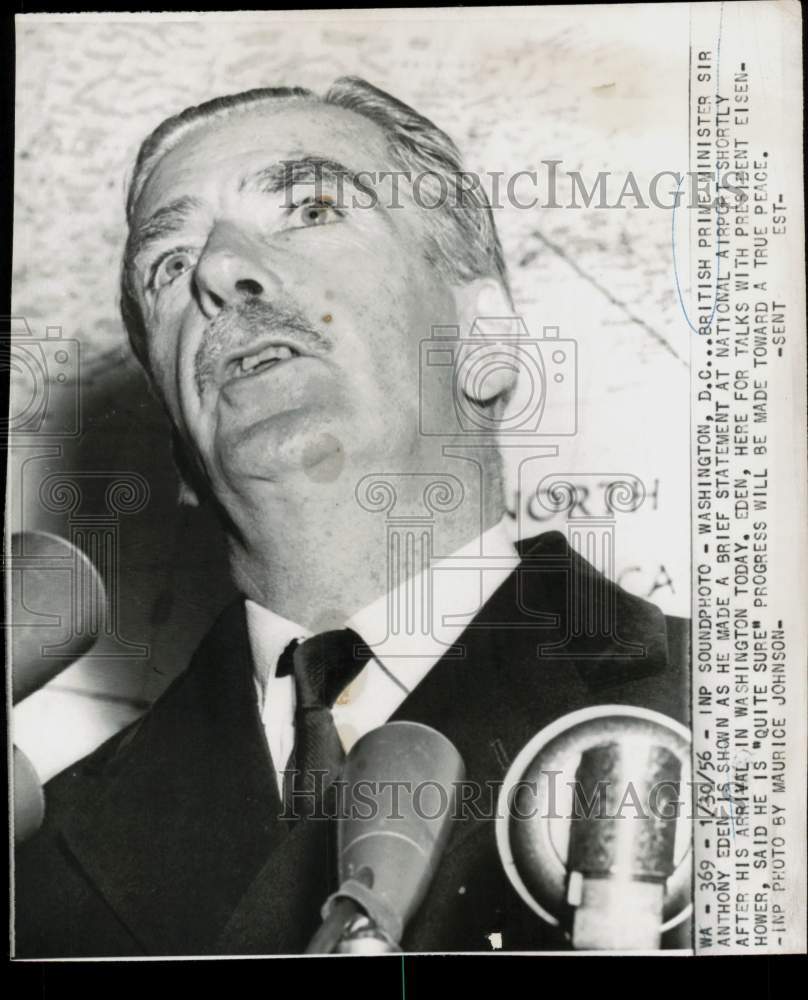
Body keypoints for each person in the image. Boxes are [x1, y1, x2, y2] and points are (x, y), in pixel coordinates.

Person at [14, 77, 689, 957]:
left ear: (486, 344)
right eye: (168, 265)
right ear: (178, 443)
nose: (218, 267)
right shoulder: (39, 868)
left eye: (312, 207)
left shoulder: (735, 717)